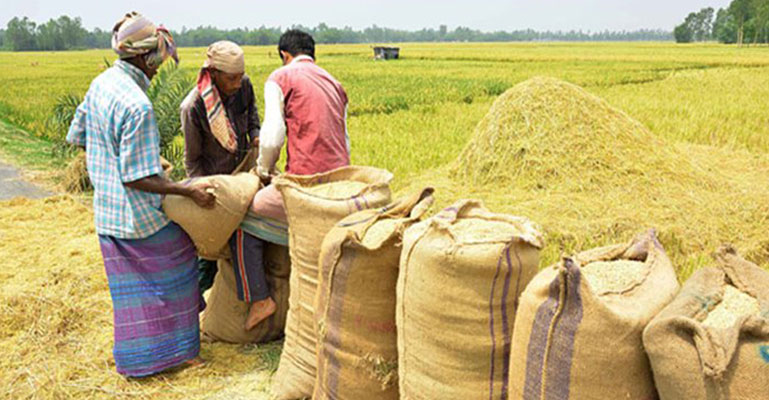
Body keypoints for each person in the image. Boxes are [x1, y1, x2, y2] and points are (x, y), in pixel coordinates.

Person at [66, 12, 215, 378]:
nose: (158, 68)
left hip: (107, 212)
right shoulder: (138, 105)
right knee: (183, 260)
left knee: (131, 293)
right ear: (142, 58)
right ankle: (181, 353)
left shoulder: (101, 83)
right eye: (157, 60)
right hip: (137, 217)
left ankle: (138, 360)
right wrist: (185, 189)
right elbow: (136, 179)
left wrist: (116, 154)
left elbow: (78, 133)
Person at [180, 41, 260, 295]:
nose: (237, 84)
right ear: (214, 74)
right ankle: (203, 304)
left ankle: (239, 294)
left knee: (247, 239)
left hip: (244, 176)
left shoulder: (243, 86)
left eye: (240, 77)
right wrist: (203, 193)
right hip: (214, 183)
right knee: (210, 251)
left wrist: (256, 136)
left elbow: (252, 116)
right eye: (231, 79)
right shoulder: (193, 107)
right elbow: (193, 161)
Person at [251, 29, 350, 221]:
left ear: (284, 55)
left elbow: (272, 139)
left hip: (305, 181)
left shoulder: (280, 77)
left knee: (256, 206)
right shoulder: (335, 84)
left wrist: (263, 171)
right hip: (341, 180)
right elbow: (345, 141)